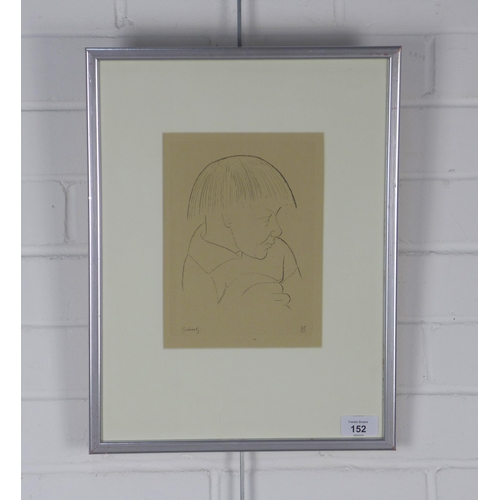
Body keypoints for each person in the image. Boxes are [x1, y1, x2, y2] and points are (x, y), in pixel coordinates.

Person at [182, 155, 301, 314]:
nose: (278, 230)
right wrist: (233, 306)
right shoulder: (198, 268)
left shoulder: (279, 251)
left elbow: (304, 311)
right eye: (265, 219)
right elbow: (197, 324)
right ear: (228, 216)